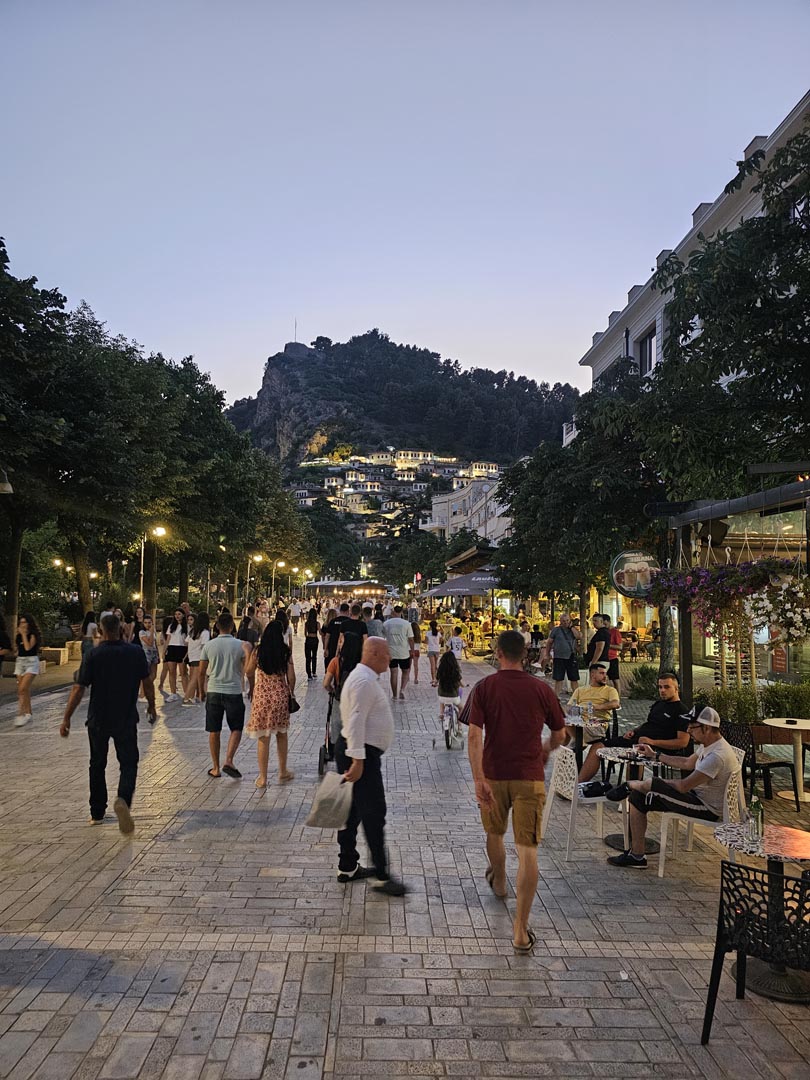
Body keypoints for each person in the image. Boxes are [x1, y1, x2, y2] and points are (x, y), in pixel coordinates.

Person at [467, 630, 566, 952]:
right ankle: (520, 930)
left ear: (498, 653)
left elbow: (473, 737)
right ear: (525, 654)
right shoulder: (541, 689)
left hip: (494, 775)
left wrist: (478, 778)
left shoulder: (484, 687)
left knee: (494, 834)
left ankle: (499, 882)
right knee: (528, 849)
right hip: (529, 777)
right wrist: (547, 750)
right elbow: (560, 733)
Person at [607, 707, 742, 869]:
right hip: (696, 796)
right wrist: (655, 755)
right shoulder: (710, 744)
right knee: (638, 796)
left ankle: (630, 784)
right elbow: (686, 763)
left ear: (706, 728)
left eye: (692, 727)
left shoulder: (717, 756)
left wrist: (657, 785)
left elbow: (683, 786)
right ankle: (637, 856)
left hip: (708, 809)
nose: (688, 731)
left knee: (654, 784)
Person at [59, 612, 156, 831]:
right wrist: (151, 705)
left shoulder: (93, 655)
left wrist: (66, 718)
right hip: (126, 717)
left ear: (100, 631)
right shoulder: (135, 652)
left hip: (98, 718)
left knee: (97, 764)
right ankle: (123, 799)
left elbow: (79, 688)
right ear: (121, 630)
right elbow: (147, 682)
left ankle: (97, 812)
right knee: (129, 763)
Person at [335, 637, 407, 895]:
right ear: (374, 653)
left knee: (352, 811)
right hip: (360, 754)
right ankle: (381, 875)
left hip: (359, 752)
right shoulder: (363, 681)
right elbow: (354, 722)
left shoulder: (364, 678)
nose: (390, 658)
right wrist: (357, 760)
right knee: (374, 812)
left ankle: (348, 865)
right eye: (386, 654)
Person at [577, 671, 691, 784]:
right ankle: (578, 786)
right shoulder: (659, 704)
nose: (662, 690)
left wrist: (652, 742)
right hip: (638, 739)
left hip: (655, 748)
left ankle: (632, 791)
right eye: (660, 687)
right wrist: (634, 731)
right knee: (597, 746)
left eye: (666, 687)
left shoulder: (682, 711)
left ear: (676, 688)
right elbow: (649, 723)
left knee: (635, 754)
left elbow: (682, 742)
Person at [245, 621, 296, 787]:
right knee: (282, 734)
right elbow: (291, 676)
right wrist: (291, 692)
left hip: (262, 697)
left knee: (263, 737)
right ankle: (282, 771)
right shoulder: (285, 651)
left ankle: (263, 778)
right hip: (280, 696)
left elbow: (249, 671)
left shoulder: (258, 651)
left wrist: (252, 686)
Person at [199, 612, 245, 779]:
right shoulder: (240, 645)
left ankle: (216, 767)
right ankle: (229, 759)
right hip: (233, 690)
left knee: (214, 730)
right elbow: (246, 669)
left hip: (213, 690)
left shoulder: (209, 646)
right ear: (232, 626)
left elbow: (202, 672)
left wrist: (201, 691)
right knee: (236, 728)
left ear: (217, 626)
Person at [14, 613, 42, 727]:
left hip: (31, 662)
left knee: (22, 688)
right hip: (21, 662)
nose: (22, 625)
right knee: (23, 690)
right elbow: (18, 649)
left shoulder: (32, 635)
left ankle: (20, 714)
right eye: (21, 622)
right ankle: (28, 713)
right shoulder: (18, 636)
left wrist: (24, 634)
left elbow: (27, 647)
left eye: (24, 622)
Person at [544, 613, 580, 696]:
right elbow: (549, 642)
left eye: (567, 620)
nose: (566, 622)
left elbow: (578, 636)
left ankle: (578, 698)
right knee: (558, 678)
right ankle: (556, 697)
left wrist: (571, 627)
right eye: (563, 621)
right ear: (560, 621)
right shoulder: (556, 630)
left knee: (574, 678)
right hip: (559, 657)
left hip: (571, 656)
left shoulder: (573, 630)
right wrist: (547, 653)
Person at [383, 605, 414, 700]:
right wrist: (412, 650)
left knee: (394, 673)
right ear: (401, 612)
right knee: (406, 671)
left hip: (391, 651)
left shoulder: (386, 623)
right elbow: (411, 639)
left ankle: (394, 695)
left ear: (393, 612)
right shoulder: (407, 624)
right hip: (404, 652)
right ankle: (402, 690)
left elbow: (383, 637)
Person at [183, 612, 210, 705]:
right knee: (195, 678)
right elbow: (204, 646)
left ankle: (196, 696)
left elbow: (186, 642)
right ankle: (187, 698)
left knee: (194, 677)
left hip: (192, 657)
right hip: (200, 657)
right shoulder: (205, 632)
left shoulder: (193, 631)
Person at [162, 608, 188, 701]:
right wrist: (164, 651)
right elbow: (168, 639)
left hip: (182, 649)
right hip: (172, 649)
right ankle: (173, 693)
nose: (177, 616)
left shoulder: (187, 626)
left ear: (183, 615)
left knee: (183, 673)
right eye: (176, 614)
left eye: (179, 614)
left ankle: (187, 694)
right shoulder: (171, 626)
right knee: (172, 672)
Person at [436, 650, 462, 734]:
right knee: (461, 708)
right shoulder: (455, 671)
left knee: (442, 698)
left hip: (442, 697)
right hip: (454, 697)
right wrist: (464, 685)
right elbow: (460, 682)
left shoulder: (440, 671)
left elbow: (436, 681)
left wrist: (434, 683)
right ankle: (460, 726)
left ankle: (441, 713)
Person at [138, 613, 160, 707]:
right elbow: (149, 643)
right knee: (146, 675)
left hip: (154, 653)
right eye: (146, 623)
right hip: (146, 653)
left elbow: (155, 643)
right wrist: (151, 632)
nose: (148, 624)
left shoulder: (153, 630)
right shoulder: (142, 632)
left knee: (153, 674)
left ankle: (148, 688)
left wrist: (158, 654)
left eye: (149, 622)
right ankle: (142, 694)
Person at [602, 614, 623, 690]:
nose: (604, 626)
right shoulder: (602, 631)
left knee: (615, 680)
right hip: (603, 659)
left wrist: (608, 645)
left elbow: (620, 647)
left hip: (612, 658)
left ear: (609, 622)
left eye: (605, 624)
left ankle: (617, 698)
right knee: (602, 679)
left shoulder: (615, 632)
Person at [426, 620, 443, 686]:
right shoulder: (438, 633)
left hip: (431, 650)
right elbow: (441, 640)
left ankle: (433, 679)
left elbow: (426, 641)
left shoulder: (428, 633)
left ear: (430, 626)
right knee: (435, 665)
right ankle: (437, 678)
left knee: (432, 666)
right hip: (437, 650)